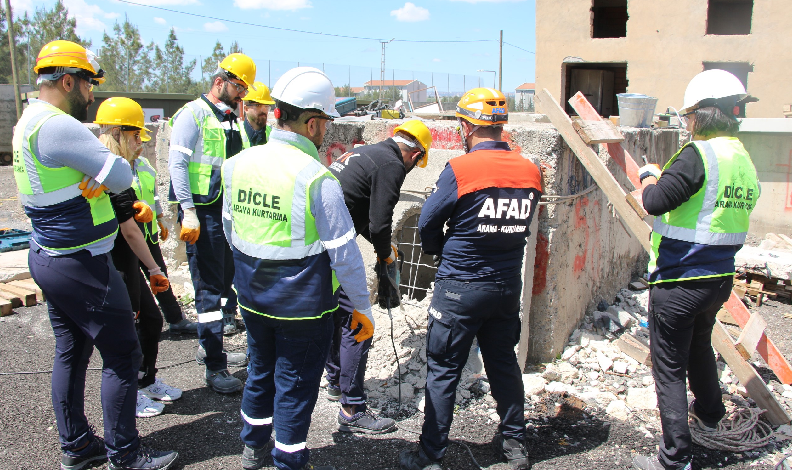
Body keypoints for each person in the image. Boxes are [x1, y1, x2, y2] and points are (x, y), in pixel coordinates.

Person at [15, 40, 177, 470]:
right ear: (67, 80)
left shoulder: (27, 121)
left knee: (71, 352)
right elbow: (121, 174)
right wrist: (102, 169)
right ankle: (125, 456)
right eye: (88, 84)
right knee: (123, 356)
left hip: (49, 255)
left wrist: (94, 171)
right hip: (82, 260)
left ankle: (78, 446)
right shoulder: (56, 125)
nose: (91, 94)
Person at [222, 67, 375, 470]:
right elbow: (345, 254)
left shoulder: (237, 165)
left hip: (252, 298)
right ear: (311, 123)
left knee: (260, 373)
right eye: (325, 122)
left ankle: (253, 449)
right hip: (305, 308)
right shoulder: (317, 178)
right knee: (294, 386)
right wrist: (362, 307)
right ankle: (289, 461)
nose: (326, 132)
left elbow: (230, 230)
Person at [400, 88, 542, 470]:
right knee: (502, 364)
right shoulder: (531, 171)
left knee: (444, 371)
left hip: (460, 287)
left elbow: (428, 221)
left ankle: (430, 455)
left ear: (466, 125)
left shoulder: (461, 169)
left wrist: (441, 247)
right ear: (501, 126)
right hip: (506, 287)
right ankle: (514, 446)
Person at [632, 70, 759, 470]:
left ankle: (675, 459)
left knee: (668, 367)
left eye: (688, 117)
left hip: (680, 280)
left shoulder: (698, 154)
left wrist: (649, 175)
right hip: (718, 279)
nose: (686, 123)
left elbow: (654, 201)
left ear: (703, 114)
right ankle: (710, 414)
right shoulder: (741, 158)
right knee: (699, 346)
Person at [323, 119, 432, 434]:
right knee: (359, 321)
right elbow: (381, 223)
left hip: (317, 241)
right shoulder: (392, 165)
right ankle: (352, 409)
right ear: (415, 155)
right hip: (332, 246)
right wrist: (385, 254)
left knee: (335, 312)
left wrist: (387, 247)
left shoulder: (367, 152)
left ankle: (334, 382)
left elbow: (366, 218)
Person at [168, 52, 257, 393]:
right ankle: (215, 368)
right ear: (220, 82)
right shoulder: (193, 115)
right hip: (202, 214)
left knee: (224, 287)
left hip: (225, 214)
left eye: (243, 91)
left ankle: (211, 345)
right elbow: (177, 165)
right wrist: (187, 210)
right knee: (207, 290)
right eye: (238, 87)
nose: (240, 96)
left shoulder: (232, 121)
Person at [94, 97, 184, 418]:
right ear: (117, 133)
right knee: (125, 335)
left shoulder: (123, 168)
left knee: (151, 320)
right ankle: (128, 395)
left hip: (129, 260)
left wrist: (150, 213)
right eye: (135, 136)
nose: (139, 143)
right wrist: (155, 268)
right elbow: (129, 232)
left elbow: (135, 213)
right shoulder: (108, 168)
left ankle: (145, 381)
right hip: (117, 265)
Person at [135, 127, 198, 335]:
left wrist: (160, 218)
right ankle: (134, 323)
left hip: (148, 232)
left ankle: (175, 319)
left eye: (143, 144)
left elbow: (152, 196)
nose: (140, 147)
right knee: (132, 281)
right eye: (137, 141)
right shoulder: (116, 168)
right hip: (128, 236)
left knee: (160, 275)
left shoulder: (144, 166)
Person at [240, 81, 275, 147]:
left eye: (266, 106)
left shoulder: (273, 133)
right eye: (258, 105)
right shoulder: (236, 133)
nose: (264, 110)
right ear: (246, 109)